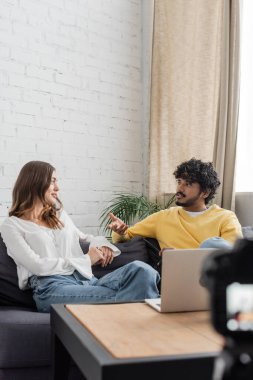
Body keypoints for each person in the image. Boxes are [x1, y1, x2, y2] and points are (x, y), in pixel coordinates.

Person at [1, 161, 160, 313]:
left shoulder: (59, 216)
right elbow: (38, 266)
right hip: (51, 287)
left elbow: (85, 237)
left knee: (144, 271)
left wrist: (103, 245)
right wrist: (86, 260)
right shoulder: (11, 225)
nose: (57, 187)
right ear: (34, 183)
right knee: (126, 297)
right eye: (52, 181)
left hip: (86, 281)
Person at [108, 158, 242, 250]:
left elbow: (234, 256)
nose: (179, 189)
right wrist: (120, 231)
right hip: (177, 278)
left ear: (205, 193)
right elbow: (128, 235)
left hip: (213, 279)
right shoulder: (162, 218)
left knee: (212, 244)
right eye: (179, 182)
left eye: (188, 184)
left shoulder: (225, 218)